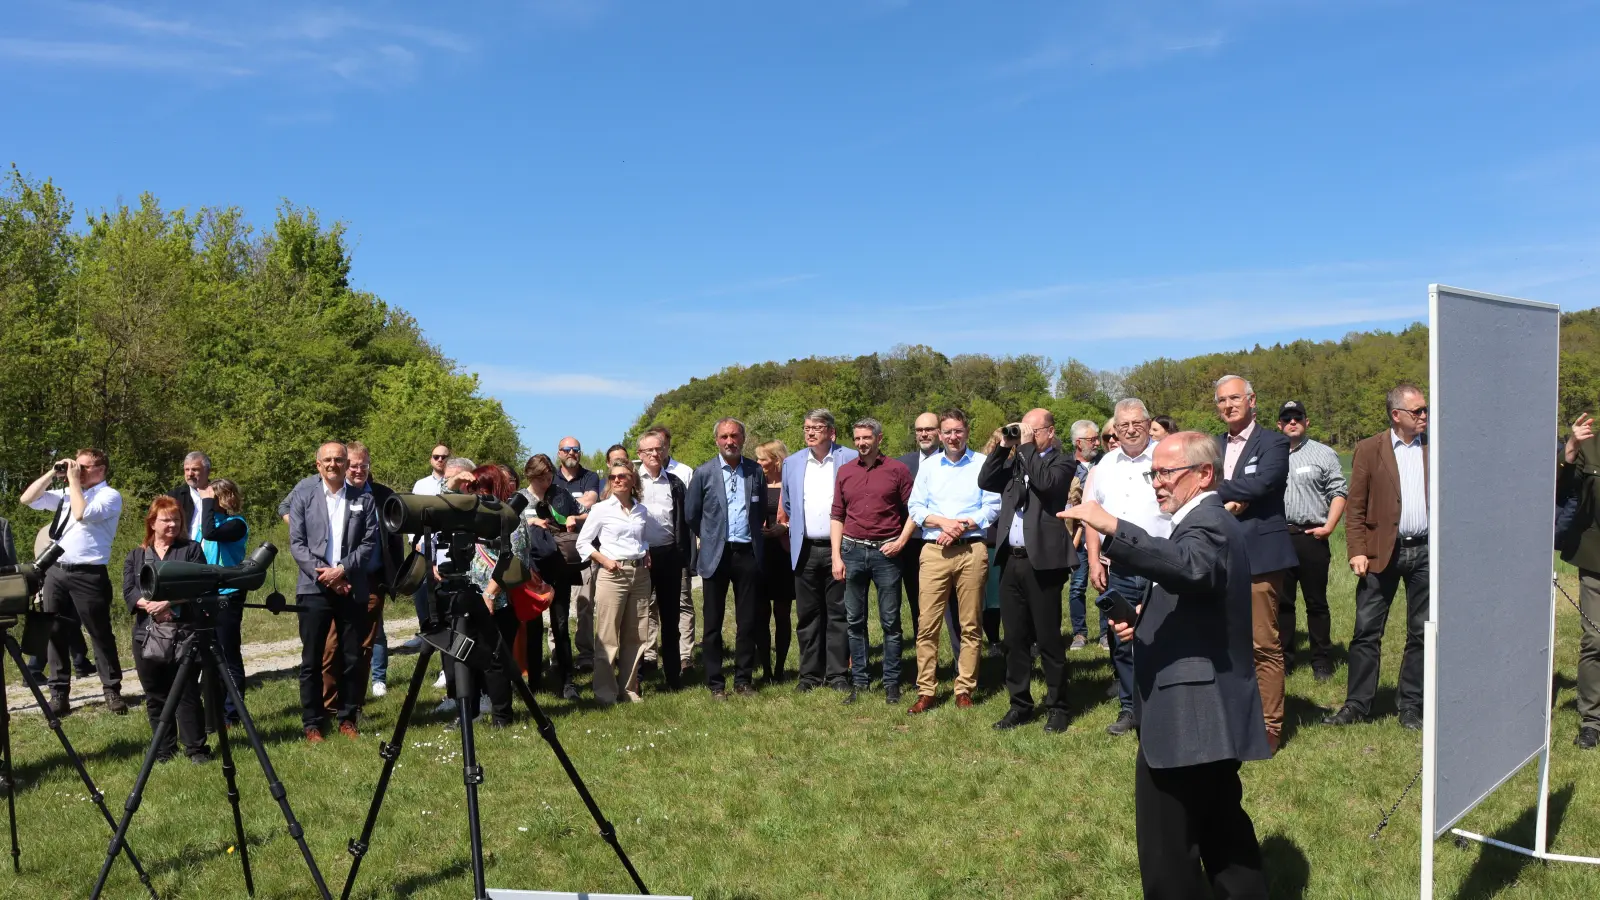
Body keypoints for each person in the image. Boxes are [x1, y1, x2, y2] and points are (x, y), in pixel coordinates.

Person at [1059, 432, 1271, 899]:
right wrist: (1145, 621)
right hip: (1204, 709)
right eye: (1153, 473)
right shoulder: (1199, 522)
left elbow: (1191, 567)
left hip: (1190, 713)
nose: (1157, 483)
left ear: (1204, 475)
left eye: (1166, 473)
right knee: (1223, 834)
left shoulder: (1209, 522)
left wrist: (1112, 526)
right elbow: (1198, 592)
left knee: (1168, 847)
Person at [1325, 384, 1431, 731]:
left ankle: (1411, 705)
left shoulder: (1436, 447)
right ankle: (1357, 704)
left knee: (1421, 632)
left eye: (1425, 410)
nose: (1424, 416)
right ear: (1396, 415)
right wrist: (1356, 550)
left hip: (1427, 552)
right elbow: (1355, 505)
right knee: (1367, 631)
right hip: (1379, 553)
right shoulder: (1370, 449)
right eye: (1418, 411)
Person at [979, 409, 1077, 733]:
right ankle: (1019, 704)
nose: (1027, 436)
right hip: (1012, 560)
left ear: (1049, 432)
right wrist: (1002, 447)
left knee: (1048, 638)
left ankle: (1059, 707)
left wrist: (1024, 449)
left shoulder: (1062, 462)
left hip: (1043, 563)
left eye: (1032, 431)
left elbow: (1047, 485)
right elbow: (986, 480)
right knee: (1015, 639)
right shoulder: (1017, 461)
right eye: (1024, 431)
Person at [1213, 375, 1296, 752]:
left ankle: (1269, 726)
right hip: (1216, 555)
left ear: (1251, 400)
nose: (1228, 405)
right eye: (1221, 401)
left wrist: (1217, 488)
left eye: (1234, 398)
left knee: (1263, 642)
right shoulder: (1212, 446)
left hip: (1260, 556)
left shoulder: (1274, 441)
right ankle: (1232, 716)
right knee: (1225, 641)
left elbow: (1265, 483)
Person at [905, 408, 1000, 714]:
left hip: (971, 550)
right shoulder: (930, 467)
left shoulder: (982, 464)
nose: (953, 437)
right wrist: (945, 523)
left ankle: (964, 688)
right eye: (947, 432)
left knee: (970, 624)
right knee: (927, 625)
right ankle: (926, 690)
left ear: (966, 431)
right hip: (934, 552)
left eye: (958, 431)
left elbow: (992, 507)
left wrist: (961, 525)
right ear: (940, 434)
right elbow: (916, 507)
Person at [20, 448, 127, 716]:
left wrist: (74, 482)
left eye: (83, 467)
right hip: (56, 570)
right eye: (75, 466)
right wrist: (52, 473)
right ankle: (59, 694)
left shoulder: (109, 496)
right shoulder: (68, 493)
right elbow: (27, 499)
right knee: (54, 632)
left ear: (100, 469)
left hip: (89, 573)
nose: (76, 470)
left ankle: (111, 689)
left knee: (99, 632)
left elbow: (81, 514)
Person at [286, 441, 379, 742]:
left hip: (351, 586)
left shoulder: (363, 499)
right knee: (312, 659)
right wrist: (328, 575)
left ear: (346, 462)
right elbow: (297, 544)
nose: (333, 465)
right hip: (313, 588)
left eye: (339, 459)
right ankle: (312, 723)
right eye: (327, 460)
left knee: (352, 656)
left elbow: (369, 542)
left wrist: (342, 570)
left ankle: (348, 717)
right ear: (318, 465)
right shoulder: (303, 495)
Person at [1084, 399, 1167, 736]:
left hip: (1161, 566)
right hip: (1118, 566)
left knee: (1160, 635)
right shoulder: (1105, 465)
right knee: (1122, 638)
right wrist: (1093, 559)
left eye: (1137, 423)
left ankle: (1162, 706)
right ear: (1114, 430)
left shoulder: (1166, 457)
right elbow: (1091, 512)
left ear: (1148, 424)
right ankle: (1130, 708)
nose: (1130, 430)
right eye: (1123, 425)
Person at [831, 418, 916, 704]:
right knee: (855, 621)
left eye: (866, 437)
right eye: (857, 438)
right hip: (852, 551)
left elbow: (915, 510)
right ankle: (861, 682)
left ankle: (892, 682)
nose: (861, 443)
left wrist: (902, 542)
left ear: (879, 438)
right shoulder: (844, 472)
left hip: (886, 554)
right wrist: (836, 556)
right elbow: (837, 515)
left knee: (891, 622)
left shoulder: (897, 470)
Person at [123, 496, 213, 764]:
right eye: (166, 519)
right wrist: (149, 605)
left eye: (176, 519)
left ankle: (196, 749)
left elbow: (200, 583)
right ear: (152, 522)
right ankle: (164, 749)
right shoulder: (136, 555)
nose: (172, 524)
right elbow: (129, 590)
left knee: (186, 691)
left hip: (184, 632)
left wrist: (169, 602)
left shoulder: (191, 550)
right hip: (147, 635)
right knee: (155, 694)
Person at [685, 417, 768, 699]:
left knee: (747, 622)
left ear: (743, 438)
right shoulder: (704, 472)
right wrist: (710, 537)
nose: (729, 441)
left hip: (747, 554)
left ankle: (743, 680)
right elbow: (691, 514)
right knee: (713, 623)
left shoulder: (755, 471)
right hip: (716, 555)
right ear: (716, 440)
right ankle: (715, 683)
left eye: (734, 436)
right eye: (724, 437)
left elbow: (759, 514)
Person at [783, 409, 859, 692]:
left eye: (816, 427)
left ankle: (838, 673)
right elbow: (789, 504)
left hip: (839, 548)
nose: (810, 432)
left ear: (831, 431)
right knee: (807, 615)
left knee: (838, 613)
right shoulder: (791, 463)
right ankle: (810, 675)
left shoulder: (849, 457)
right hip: (805, 548)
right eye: (806, 428)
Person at [1276, 400, 1348, 681]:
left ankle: (1321, 660)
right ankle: (1284, 659)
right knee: (1283, 604)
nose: (1292, 422)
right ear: (1279, 424)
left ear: (1306, 422)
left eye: (1297, 417)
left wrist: (1329, 526)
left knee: (1316, 602)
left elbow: (1339, 491)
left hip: (1311, 536)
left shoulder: (1324, 453)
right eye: (1287, 418)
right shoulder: (1272, 453)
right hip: (1280, 537)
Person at [325, 443, 399, 704]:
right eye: (353, 465)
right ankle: (329, 705)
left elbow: (394, 539)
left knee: (364, 646)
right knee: (332, 647)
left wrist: (393, 579)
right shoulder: (332, 494)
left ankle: (353, 706)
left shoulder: (383, 496)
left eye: (363, 465)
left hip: (371, 581)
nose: (358, 470)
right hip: (336, 582)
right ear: (344, 466)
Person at [578, 462, 654, 705]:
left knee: (636, 635)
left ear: (633, 481)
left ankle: (629, 690)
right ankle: (605, 693)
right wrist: (604, 560)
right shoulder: (601, 509)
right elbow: (583, 542)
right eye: (613, 477)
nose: (618, 480)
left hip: (640, 575)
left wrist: (647, 552)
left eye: (623, 476)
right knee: (608, 636)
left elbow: (642, 539)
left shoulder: (641, 510)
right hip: (613, 574)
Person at [459, 464, 526, 726]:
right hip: (471, 597)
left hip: (499, 602)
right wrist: (454, 483)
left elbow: (514, 562)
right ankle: (470, 713)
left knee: (495, 661)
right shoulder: (472, 515)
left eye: (483, 487)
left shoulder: (511, 518)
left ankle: (502, 717)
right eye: (474, 487)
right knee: (466, 657)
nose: (478, 492)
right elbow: (441, 508)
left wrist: (489, 594)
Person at [519, 453, 582, 700]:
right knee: (533, 628)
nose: (546, 481)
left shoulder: (560, 494)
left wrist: (569, 519)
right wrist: (531, 522)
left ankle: (568, 682)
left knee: (561, 625)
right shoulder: (520, 500)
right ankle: (535, 681)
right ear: (530, 476)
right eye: (541, 477)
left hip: (558, 568)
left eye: (549, 476)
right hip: (531, 571)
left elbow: (578, 516)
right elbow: (510, 528)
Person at [897, 412, 959, 659]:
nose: (924, 434)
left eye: (929, 429)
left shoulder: (958, 460)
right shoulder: (903, 464)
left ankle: (959, 665)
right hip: (913, 545)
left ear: (941, 432)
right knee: (919, 607)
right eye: (919, 429)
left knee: (955, 609)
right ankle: (925, 667)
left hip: (952, 541)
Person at [636, 429, 692, 689]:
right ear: (640, 455)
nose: (655, 454)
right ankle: (636, 676)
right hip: (641, 557)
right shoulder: (633, 482)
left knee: (671, 619)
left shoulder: (675, 482)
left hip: (669, 555)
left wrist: (682, 554)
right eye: (649, 451)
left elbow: (682, 520)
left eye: (659, 449)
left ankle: (673, 676)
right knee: (637, 618)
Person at [1559, 412, 1600, 749]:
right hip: (1595, 559)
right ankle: (1592, 721)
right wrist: (1571, 447)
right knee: (1595, 639)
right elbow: (1558, 490)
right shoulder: (1590, 447)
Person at [197, 477, 248, 724]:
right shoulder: (206, 522)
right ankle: (213, 711)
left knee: (229, 655)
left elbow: (210, 533)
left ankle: (233, 714)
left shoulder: (236, 524)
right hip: (204, 594)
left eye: (212, 497)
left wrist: (206, 503)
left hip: (228, 594)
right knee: (208, 656)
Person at [555, 437, 603, 671]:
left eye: (576, 449)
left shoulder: (590, 476)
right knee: (556, 604)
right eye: (567, 449)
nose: (572, 453)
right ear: (559, 453)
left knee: (585, 604)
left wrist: (562, 509)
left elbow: (591, 502)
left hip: (585, 549)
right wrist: (577, 507)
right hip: (557, 550)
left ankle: (585, 656)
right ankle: (557, 655)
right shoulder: (551, 477)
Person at [755, 440, 795, 680]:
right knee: (760, 614)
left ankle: (780, 668)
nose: (758, 463)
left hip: (783, 554)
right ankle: (766, 669)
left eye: (763, 459)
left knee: (782, 613)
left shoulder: (791, 484)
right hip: (759, 554)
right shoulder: (755, 484)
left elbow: (800, 514)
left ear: (776, 460)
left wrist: (784, 527)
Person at [1066, 419, 1100, 651]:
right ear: (1079, 443)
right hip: (1077, 535)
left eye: (1097, 438)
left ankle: (1107, 633)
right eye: (1092, 439)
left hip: (1101, 533)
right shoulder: (1065, 465)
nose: (1097, 442)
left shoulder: (1106, 463)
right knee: (1077, 586)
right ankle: (1079, 634)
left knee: (1104, 585)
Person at [166, 451, 212, 539]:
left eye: (195, 469)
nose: (190, 474)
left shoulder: (220, 495)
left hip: (211, 550)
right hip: (182, 550)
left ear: (207, 471)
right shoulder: (173, 498)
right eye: (187, 469)